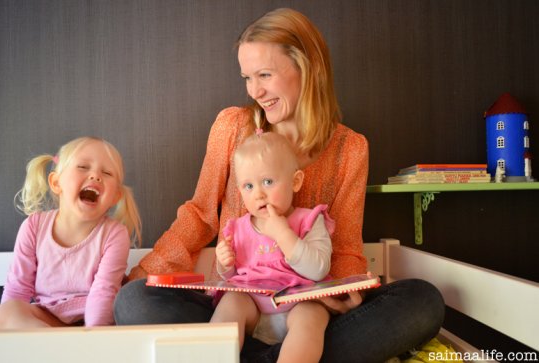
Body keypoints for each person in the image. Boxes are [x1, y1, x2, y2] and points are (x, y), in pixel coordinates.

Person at [114, 8, 444, 363]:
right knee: (133, 301)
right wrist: (141, 275)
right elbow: (200, 215)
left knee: (422, 302)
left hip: (308, 310)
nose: (255, 90)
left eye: (265, 75)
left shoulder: (350, 148)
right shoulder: (232, 127)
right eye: (247, 78)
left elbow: (346, 245)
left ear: (307, 67)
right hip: (241, 307)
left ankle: (251, 354)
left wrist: (347, 291)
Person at [211, 130, 336, 362]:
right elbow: (233, 275)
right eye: (248, 186)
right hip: (253, 308)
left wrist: (283, 234)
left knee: (312, 315)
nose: (258, 194)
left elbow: (318, 269)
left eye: (268, 182)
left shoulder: (309, 220)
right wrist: (224, 263)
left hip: (299, 302)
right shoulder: (237, 227)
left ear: (295, 181)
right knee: (231, 301)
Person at [0, 136, 142, 329]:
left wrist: (93, 337)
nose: (96, 176)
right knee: (5, 311)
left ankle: (66, 351)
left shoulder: (114, 234)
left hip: (89, 322)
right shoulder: (33, 227)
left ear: (115, 197)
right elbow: (17, 290)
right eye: (82, 167)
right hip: (46, 320)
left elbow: (104, 292)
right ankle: (53, 349)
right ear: (56, 183)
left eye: (106, 172)